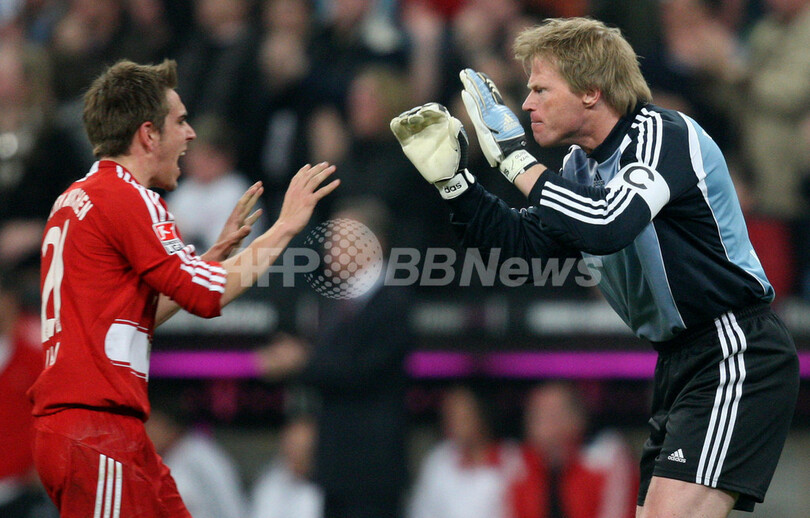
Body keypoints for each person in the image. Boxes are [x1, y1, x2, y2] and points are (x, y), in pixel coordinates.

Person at [390, 17, 799, 518]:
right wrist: (456, 186)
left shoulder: (661, 134)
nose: (526, 105)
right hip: (678, 360)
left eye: (541, 89)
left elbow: (608, 223)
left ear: (590, 91)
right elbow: (524, 246)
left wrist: (517, 161)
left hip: (733, 348)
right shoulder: (579, 166)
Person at [28, 58, 338, 518]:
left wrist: (208, 259)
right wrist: (286, 226)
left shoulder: (75, 199)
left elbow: (132, 314)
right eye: (180, 121)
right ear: (148, 135)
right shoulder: (129, 197)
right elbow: (208, 295)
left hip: (94, 432)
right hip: (97, 432)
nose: (190, 134)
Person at [256, 197, 413, 518]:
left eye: (340, 241)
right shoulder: (333, 303)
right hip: (334, 468)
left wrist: (302, 361)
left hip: (373, 471)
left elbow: (362, 371)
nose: (329, 249)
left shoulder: (394, 301)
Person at [508, 382, 637, 518]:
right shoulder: (514, 467)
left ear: (579, 419)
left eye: (555, 415)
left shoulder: (605, 460)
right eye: (538, 416)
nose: (547, 425)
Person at [407, 384, 523, 518]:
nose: (454, 424)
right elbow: (421, 511)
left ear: (481, 415)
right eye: (450, 416)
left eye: (462, 416)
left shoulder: (513, 459)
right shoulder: (439, 459)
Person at [145, 389, 246, 518]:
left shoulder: (203, 457)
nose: (146, 432)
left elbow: (230, 507)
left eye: (151, 425)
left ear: (170, 426)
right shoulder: (157, 459)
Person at [250, 415, 324, 518]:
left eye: (304, 446)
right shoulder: (270, 485)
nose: (298, 452)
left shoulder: (325, 488)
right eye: (294, 445)